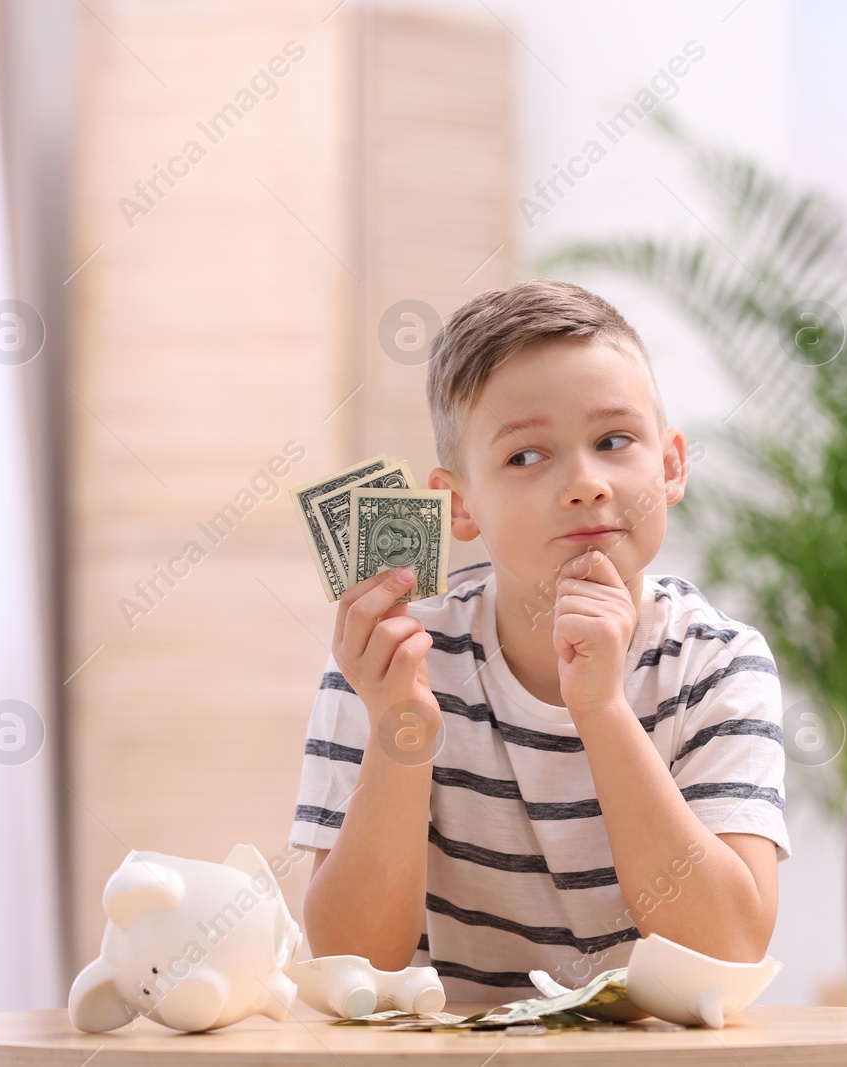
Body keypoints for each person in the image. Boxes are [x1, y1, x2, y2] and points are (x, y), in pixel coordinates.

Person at [288, 278, 790, 1006]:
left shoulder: (717, 662)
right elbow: (353, 966)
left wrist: (603, 710)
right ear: (459, 503)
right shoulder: (389, 665)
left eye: (614, 441)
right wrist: (402, 727)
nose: (585, 483)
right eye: (527, 456)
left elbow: (727, 951)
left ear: (671, 464)